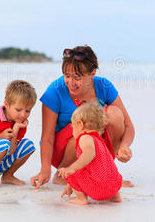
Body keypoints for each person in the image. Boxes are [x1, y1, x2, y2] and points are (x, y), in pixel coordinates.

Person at [31, 45, 135, 189]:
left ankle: (106, 176)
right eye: (67, 76)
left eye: (77, 78)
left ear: (92, 74)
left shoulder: (104, 86)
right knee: (84, 125)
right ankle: (64, 175)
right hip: (62, 149)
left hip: (89, 143)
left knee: (114, 114)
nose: (71, 83)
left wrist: (124, 146)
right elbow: (47, 137)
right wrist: (45, 169)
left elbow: (128, 125)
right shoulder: (55, 91)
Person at [58, 102, 122, 204]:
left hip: (99, 190)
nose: (72, 130)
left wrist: (72, 168)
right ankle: (115, 197)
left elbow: (89, 154)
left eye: (73, 127)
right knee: (81, 169)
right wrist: (70, 184)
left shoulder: (85, 138)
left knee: (69, 170)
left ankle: (81, 198)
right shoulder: (100, 141)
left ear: (80, 125)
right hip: (115, 186)